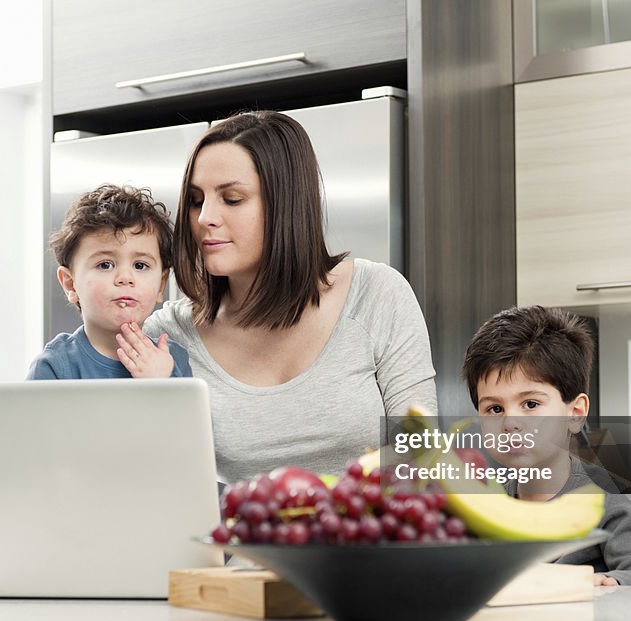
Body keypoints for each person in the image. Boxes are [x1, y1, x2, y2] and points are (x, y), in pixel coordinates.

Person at [121, 111, 437, 482]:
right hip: (238, 540)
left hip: (370, 535)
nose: (204, 217)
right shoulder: (168, 335)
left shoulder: (379, 294)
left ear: (286, 203)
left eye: (232, 199)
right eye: (195, 200)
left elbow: (423, 455)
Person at [462, 305, 631, 587]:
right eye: (495, 409)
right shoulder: (487, 501)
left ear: (575, 413)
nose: (510, 423)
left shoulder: (605, 496)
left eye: (531, 404)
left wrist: (611, 583)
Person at [27, 184, 192, 380]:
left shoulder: (173, 360)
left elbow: (186, 412)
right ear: (70, 284)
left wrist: (162, 383)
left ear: (161, 284)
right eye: (105, 265)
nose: (125, 278)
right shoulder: (54, 366)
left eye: (140, 266)